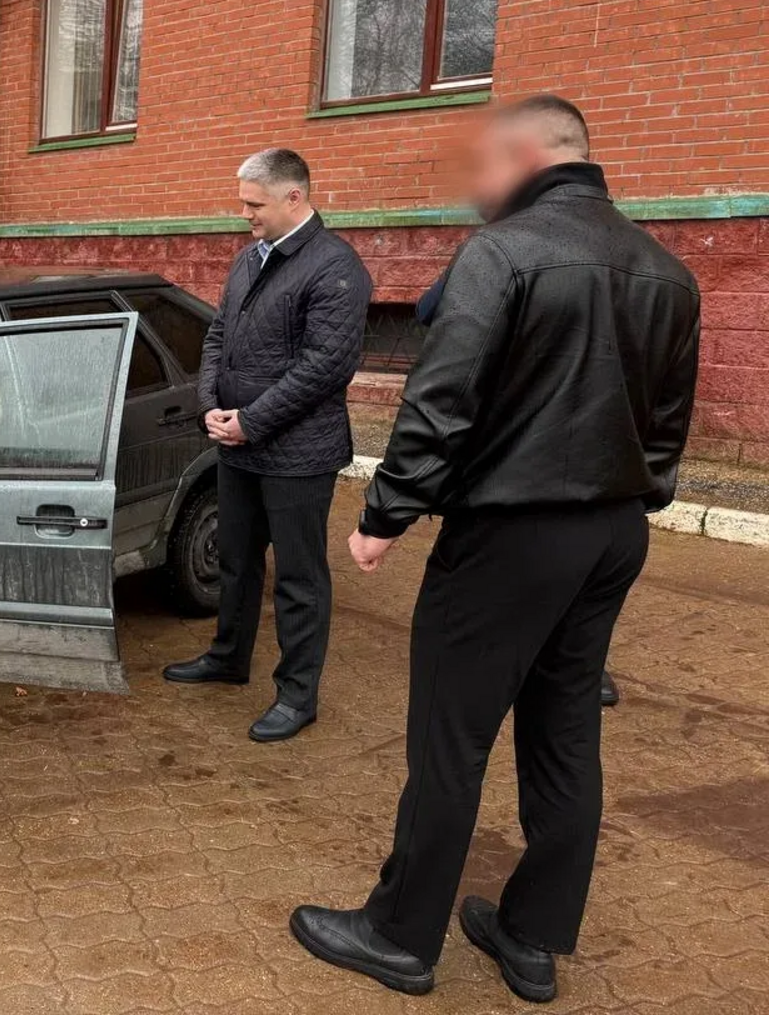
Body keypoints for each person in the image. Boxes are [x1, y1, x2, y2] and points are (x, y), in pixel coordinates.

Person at [289, 96, 700, 1001]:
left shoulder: (502, 253)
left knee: (451, 738)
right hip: (612, 535)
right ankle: (531, 935)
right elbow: (669, 424)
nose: (476, 184)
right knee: (566, 735)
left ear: (524, 154)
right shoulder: (668, 272)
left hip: (510, 535)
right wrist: (635, 498)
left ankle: (398, 935)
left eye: (483, 165)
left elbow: (442, 398)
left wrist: (385, 515)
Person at [162, 148, 372, 743]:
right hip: (238, 445)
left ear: (294, 197)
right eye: (243, 203)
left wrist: (251, 421)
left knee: (299, 578)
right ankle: (228, 657)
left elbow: (325, 367)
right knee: (236, 560)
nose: (245, 214)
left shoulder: (335, 267)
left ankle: (297, 694)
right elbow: (217, 337)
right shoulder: (249, 257)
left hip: (298, 455)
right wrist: (210, 404)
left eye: (254, 204)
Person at [418, 266, 624, 710]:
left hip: (570, 427)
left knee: (555, 554)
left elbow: (430, 310)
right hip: (547, 429)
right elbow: (429, 308)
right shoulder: (508, 257)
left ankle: (563, 663)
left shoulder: (580, 262)